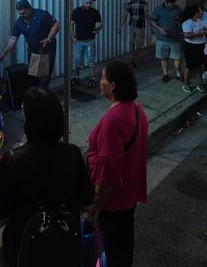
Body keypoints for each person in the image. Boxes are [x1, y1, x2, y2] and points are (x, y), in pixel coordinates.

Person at [0, 87, 93, 267]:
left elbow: (0, 218)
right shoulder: (73, 154)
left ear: (29, 120)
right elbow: (87, 203)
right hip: (65, 249)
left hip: (24, 251)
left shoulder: (12, 160)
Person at [85, 61, 148, 267]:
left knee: (113, 253)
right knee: (122, 250)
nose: (100, 82)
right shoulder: (138, 111)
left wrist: (93, 210)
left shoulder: (113, 120)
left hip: (113, 203)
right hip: (128, 196)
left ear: (112, 86)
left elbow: (107, 176)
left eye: (103, 78)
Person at [0, 0, 60, 89]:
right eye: (19, 14)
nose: (21, 16)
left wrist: (48, 38)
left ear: (29, 9)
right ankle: (36, 97)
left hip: (46, 49)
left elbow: (56, 24)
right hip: (33, 50)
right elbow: (13, 39)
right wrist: (2, 55)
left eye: (23, 13)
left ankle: (43, 98)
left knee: (43, 78)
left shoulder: (41, 15)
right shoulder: (19, 22)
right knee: (33, 77)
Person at [71, 0, 103, 88]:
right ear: (83, 2)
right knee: (78, 60)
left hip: (90, 40)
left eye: (90, 3)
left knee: (91, 60)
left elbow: (99, 24)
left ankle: (92, 77)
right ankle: (76, 76)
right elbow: (71, 24)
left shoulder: (95, 12)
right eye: (87, 3)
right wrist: (72, 36)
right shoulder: (76, 12)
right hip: (79, 41)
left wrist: (97, 28)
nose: (89, 5)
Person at [150, 0, 182, 83]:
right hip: (162, 38)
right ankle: (165, 74)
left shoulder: (178, 8)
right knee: (163, 57)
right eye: (170, 5)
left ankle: (178, 74)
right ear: (166, 2)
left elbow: (181, 18)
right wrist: (160, 29)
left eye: (173, 4)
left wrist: (180, 23)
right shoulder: (158, 9)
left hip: (175, 38)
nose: (172, 6)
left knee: (177, 57)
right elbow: (152, 21)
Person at [180, 4, 207, 93]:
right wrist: (200, 33)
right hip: (191, 47)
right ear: (195, 12)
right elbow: (187, 35)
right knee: (189, 66)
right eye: (199, 10)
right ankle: (186, 84)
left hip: (201, 46)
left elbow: (205, 28)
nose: (201, 11)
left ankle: (200, 83)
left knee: (199, 66)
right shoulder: (187, 23)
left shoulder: (199, 21)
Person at [118, 0, 150, 67]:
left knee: (131, 43)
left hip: (131, 25)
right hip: (140, 26)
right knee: (139, 44)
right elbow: (146, 16)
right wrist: (151, 26)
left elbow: (124, 16)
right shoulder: (144, 3)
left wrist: (120, 27)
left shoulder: (129, 4)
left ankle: (134, 57)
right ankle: (135, 58)